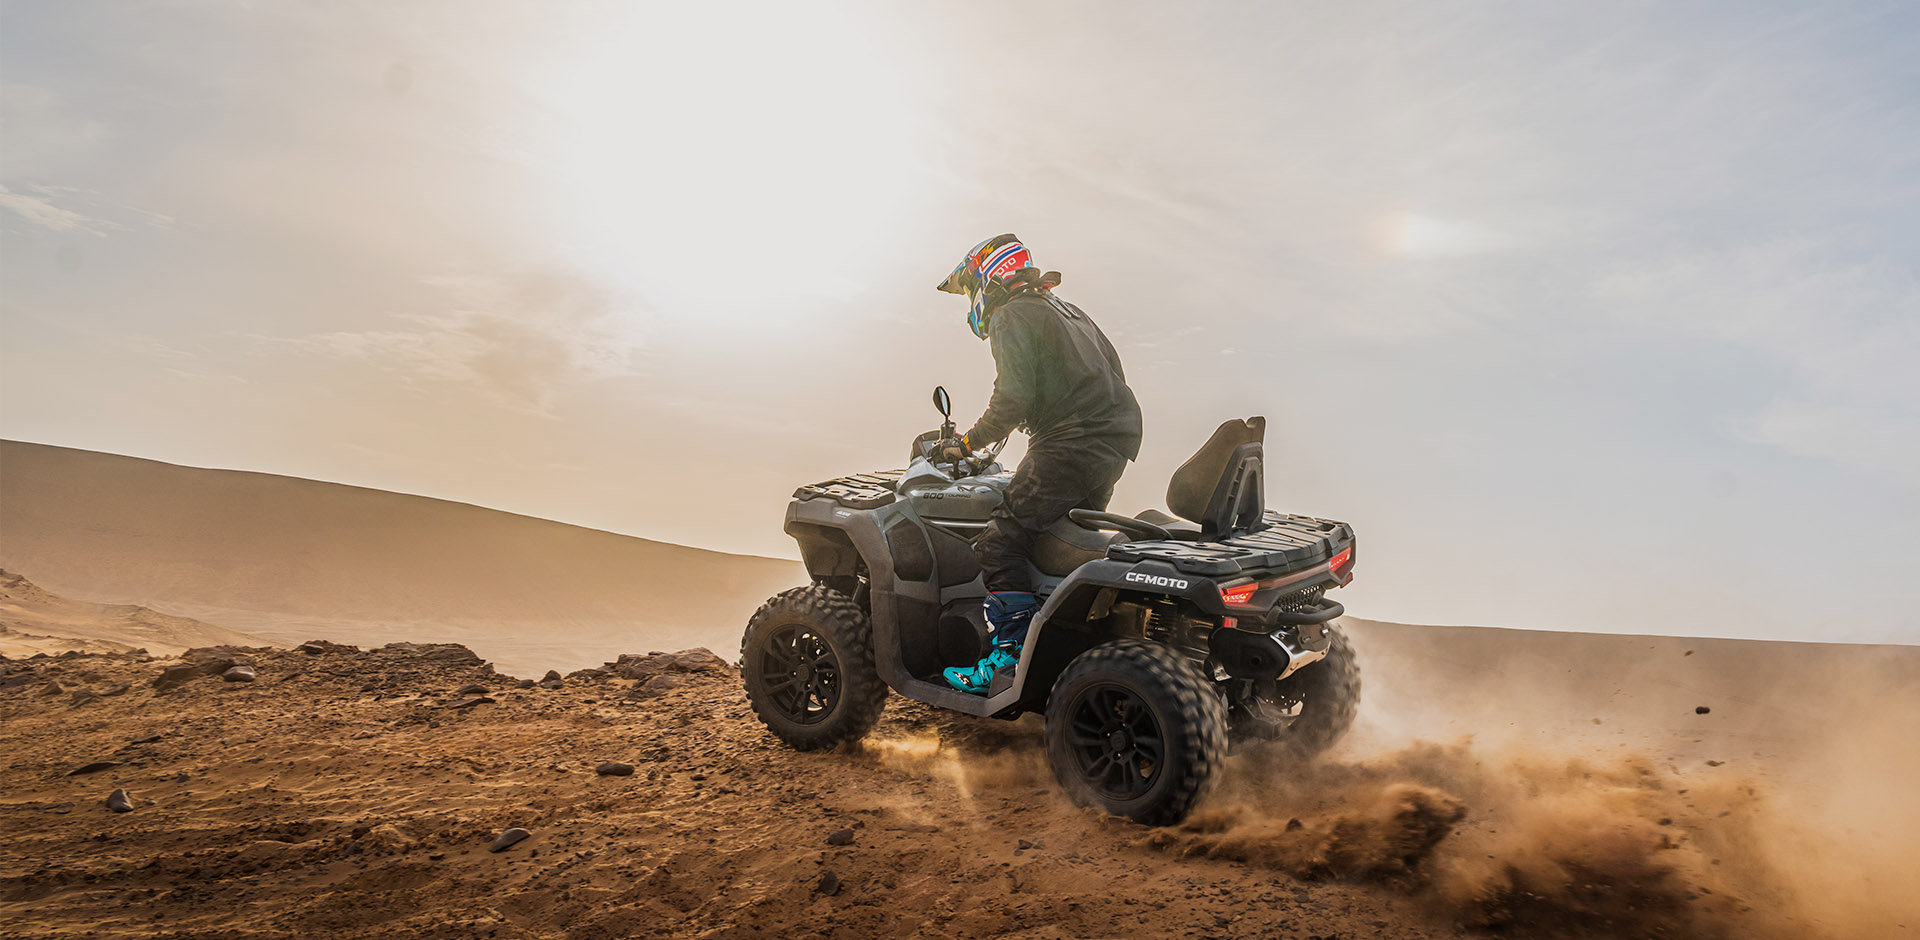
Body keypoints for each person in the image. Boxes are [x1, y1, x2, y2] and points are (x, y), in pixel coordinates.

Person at [934, 234, 1142, 694]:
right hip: (1114, 442)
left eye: (969, 290)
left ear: (987, 278)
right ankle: (1063, 654)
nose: (971, 301)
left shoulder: (1011, 314)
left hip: (1070, 444)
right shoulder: (1069, 311)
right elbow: (1111, 372)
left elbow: (1012, 397)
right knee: (1057, 546)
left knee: (999, 542)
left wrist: (966, 444)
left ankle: (1007, 659)